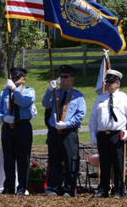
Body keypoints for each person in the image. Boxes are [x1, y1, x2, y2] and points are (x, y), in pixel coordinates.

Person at [42, 65, 86, 197]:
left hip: (68, 132)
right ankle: (54, 188)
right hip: (54, 131)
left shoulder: (78, 96)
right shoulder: (54, 93)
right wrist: (49, 90)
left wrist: (66, 124)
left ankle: (69, 189)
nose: (62, 79)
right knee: (54, 160)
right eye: (61, 77)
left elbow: (80, 115)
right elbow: (45, 104)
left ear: (72, 78)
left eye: (65, 77)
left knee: (70, 161)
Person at [89, 69, 127, 198]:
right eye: (107, 82)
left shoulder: (124, 98)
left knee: (119, 164)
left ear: (118, 83)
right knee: (104, 163)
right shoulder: (100, 99)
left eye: (111, 82)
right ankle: (103, 189)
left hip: (117, 135)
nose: (109, 84)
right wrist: (93, 133)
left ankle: (118, 190)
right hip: (103, 135)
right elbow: (93, 118)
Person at [0, 67, 35, 195]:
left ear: (24, 79)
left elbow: (24, 103)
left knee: (23, 158)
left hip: (22, 127)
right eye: (12, 78)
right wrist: (3, 118)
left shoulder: (29, 91)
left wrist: (14, 89)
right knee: (8, 158)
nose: (14, 80)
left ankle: (21, 188)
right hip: (8, 127)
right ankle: (8, 187)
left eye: (17, 78)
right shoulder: (4, 93)